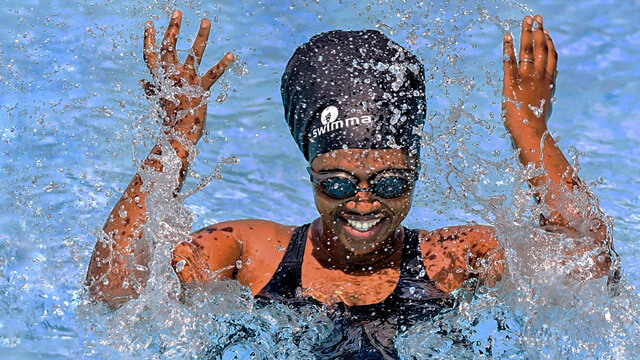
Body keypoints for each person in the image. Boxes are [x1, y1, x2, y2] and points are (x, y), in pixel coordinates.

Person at [86, 10, 615, 359]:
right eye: (337, 185)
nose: (363, 203)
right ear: (308, 170)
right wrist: (175, 144)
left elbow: (589, 269)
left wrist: (528, 128)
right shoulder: (254, 253)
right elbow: (116, 290)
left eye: (389, 182)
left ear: (417, 170)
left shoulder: (452, 259)